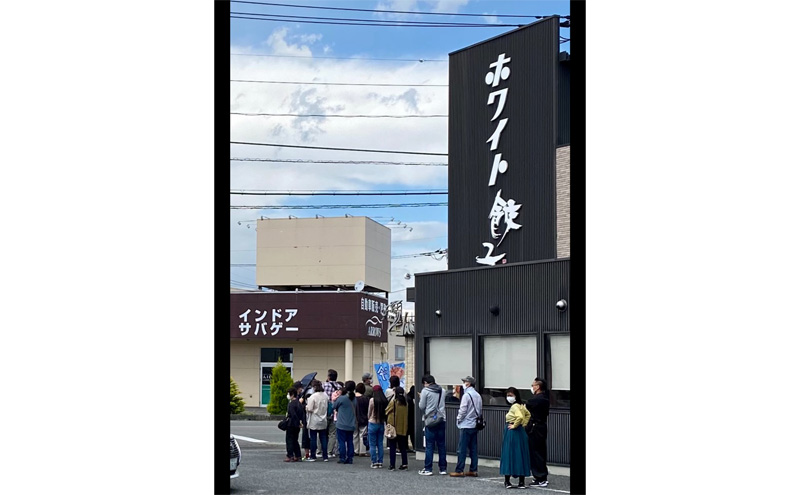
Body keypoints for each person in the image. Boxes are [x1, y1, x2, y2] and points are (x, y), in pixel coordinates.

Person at [450, 375, 482, 477]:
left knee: (462, 449)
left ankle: (459, 470)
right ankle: (473, 469)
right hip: (474, 424)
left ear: (468, 383)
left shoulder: (466, 395)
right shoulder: (478, 395)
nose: (463, 384)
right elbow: (480, 410)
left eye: (464, 382)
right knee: (473, 448)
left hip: (466, 424)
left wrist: (458, 419)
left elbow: (463, 410)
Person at [499, 387, 531, 489]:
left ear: (516, 396)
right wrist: (523, 424)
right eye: (508, 395)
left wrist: (514, 425)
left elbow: (520, 417)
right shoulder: (521, 405)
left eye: (511, 395)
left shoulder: (514, 407)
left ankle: (507, 481)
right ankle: (521, 481)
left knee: (509, 454)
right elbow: (527, 414)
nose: (509, 397)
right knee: (521, 454)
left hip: (512, 431)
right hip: (520, 431)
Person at [417, 374, 447, 476]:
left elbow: (421, 406)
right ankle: (443, 469)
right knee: (441, 445)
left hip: (430, 421)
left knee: (429, 446)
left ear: (425, 383)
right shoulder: (442, 390)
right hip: (441, 419)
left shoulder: (425, 391)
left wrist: (421, 397)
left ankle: (428, 468)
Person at [525, 377, 550, 487]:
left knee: (536, 452)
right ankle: (541, 476)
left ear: (538, 387)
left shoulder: (538, 399)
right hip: (541, 427)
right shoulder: (544, 398)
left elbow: (526, 406)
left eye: (533, 385)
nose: (532, 387)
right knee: (540, 451)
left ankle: (540, 477)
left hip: (536, 428)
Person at [332, 380, 357, 464]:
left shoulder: (342, 398)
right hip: (351, 423)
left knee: (341, 441)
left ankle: (342, 457)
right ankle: (350, 458)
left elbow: (334, 406)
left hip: (341, 423)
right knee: (350, 441)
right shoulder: (355, 399)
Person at [305, 379, 330, 462]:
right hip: (323, 419)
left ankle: (313, 455)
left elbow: (310, 408)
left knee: (313, 438)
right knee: (323, 438)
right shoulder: (325, 395)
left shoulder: (313, 397)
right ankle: (325, 456)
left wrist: (306, 407)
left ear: (314, 387)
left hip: (314, 420)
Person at [385, 386, 409, 471]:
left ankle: (392, 465)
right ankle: (404, 463)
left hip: (393, 428)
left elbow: (386, 410)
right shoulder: (406, 403)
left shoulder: (394, 402)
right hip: (402, 428)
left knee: (392, 447)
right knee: (402, 447)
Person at [367, 385, 389, 468]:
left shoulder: (372, 400)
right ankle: (380, 461)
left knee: (372, 444)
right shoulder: (384, 401)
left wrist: (369, 418)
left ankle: (374, 461)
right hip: (381, 423)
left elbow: (369, 412)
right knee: (380, 444)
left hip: (373, 422)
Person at [322, 369, 342, 458]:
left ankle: (321, 451)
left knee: (323, 432)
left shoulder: (324, 385)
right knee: (332, 434)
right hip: (335, 412)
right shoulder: (339, 387)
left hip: (324, 411)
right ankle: (330, 451)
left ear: (329, 377)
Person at [284, 388, 304, 462]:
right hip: (297, 425)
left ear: (292, 395)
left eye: (288, 394)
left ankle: (290, 455)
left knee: (289, 440)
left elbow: (292, 414)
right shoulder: (298, 403)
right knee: (295, 440)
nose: (288, 396)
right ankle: (298, 455)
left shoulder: (291, 403)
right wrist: (300, 422)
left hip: (291, 424)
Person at [293, 381, 311, 460]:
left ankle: (307, 453)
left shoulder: (304, 395)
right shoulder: (299, 396)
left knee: (306, 435)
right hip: (303, 418)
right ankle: (307, 453)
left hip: (304, 418)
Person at [354, 382, 370, 457]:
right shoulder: (366, 399)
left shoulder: (352, 398)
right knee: (362, 435)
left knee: (354, 435)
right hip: (363, 418)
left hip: (354, 419)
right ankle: (362, 451)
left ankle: (355, 450)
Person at [405, 385, 416, 451]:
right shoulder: (410, 399)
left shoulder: (407, 397)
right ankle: (414, 446)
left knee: (407, 433)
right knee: (411, 433)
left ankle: (407, 447)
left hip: (407, 418)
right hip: (410, 418)